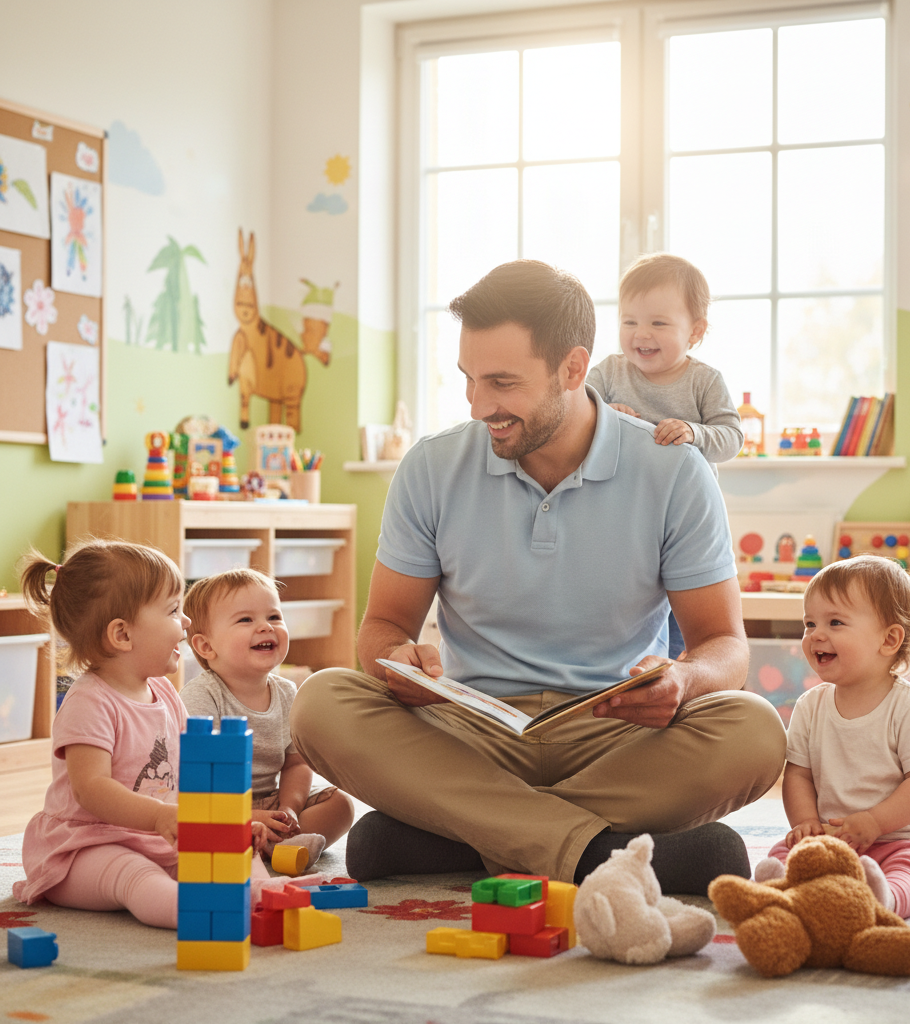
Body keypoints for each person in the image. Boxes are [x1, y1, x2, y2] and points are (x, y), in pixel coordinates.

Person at [290, 259, 786, 893]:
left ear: (573, 369)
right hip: (471, 733)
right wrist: (396, 660)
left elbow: (726, 646)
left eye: (502, 382)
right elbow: (382, 627)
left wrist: (687, 679)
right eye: (469, 380)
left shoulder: (675, 471)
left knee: (754, 729)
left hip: (618, 737)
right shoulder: (431, 467)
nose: (478, 406)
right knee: (322, 701)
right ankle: (597, 854)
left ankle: (464, 833)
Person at [14, 540, 268, 929]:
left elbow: (188, 776)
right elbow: (90, 788)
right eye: (173, 610)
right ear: (122, 635)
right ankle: (185, 909)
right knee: (133, 874)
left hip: (153, 837)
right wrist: (159, 817)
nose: (185, 622)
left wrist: (223, 823)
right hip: (85, 847)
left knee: (232, 850)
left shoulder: (166, 693)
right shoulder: (89, 702)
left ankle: (264, 895)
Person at [754, 555, 910, 919]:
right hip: (838, 842)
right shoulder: (809, 706)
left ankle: (886, 898)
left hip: (907, 838)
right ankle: (783, 889)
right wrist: (805, 824)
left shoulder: (909, 709)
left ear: (889, 639)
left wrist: (876, 822)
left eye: (835, 622)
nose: (816, 634)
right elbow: (798, 774)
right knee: (784, 852)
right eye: (809, 623)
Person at [587, 252, 743, 657]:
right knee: (631, 607)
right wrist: (602, 415)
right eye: (629, 321)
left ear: (696, 331)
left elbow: (731, 436)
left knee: (685, 618)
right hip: (621, 514)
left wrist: (694, 431)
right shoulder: (608, 372)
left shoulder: (703, 380)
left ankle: (680, 681)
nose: (642, 334)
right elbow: (574, 412)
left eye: (658, 323)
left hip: (683, 519)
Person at [181, 568, 355, 868]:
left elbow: (296, 763)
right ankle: (264, 845)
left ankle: (276, 843)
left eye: (274, 617)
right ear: (206, 646)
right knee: (195, 821)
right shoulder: (202, 697)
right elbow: (195, 779)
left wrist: (289, 808)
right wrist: (242, 815)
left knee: (341, 804)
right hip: (219, 804)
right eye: (246, 619)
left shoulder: (288, 692)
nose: (265, 627)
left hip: (271, 799)